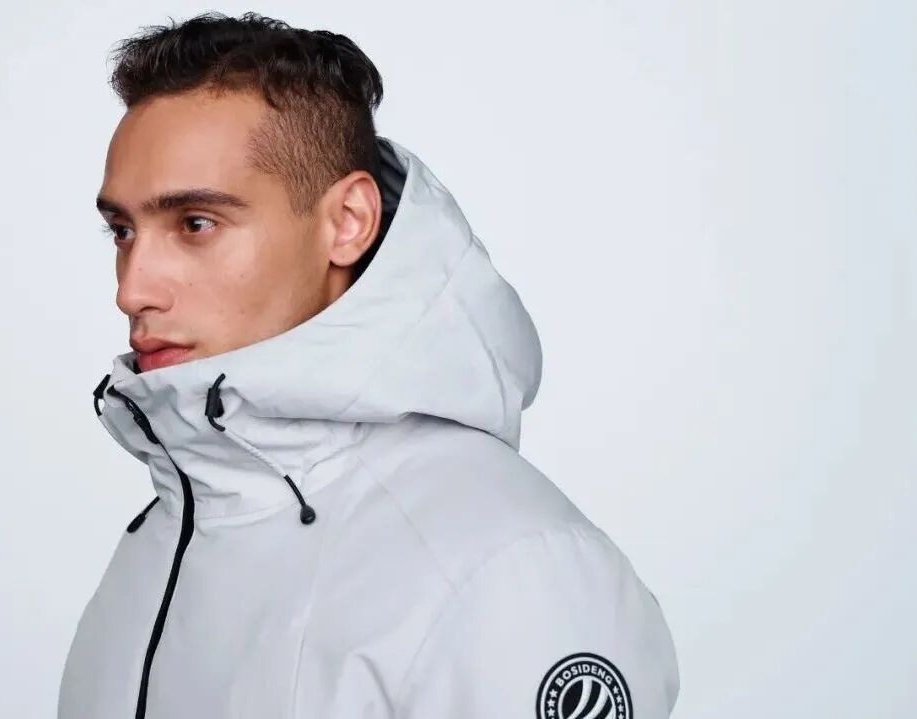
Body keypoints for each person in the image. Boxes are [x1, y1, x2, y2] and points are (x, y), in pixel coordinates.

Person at [59, 10, 679, 719]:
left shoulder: (510, 569)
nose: (132, 289)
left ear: (348, 221)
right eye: (122, 231)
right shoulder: (168, 533)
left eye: (196, 224)